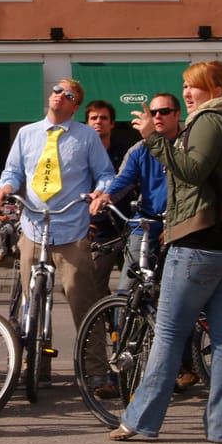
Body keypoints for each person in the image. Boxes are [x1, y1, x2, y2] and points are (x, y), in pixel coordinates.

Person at [110, 61, 222, 444]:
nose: (187, 93)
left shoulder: (211, 122)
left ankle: (141, 419)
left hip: (200, 246)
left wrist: (152, 139)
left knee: (170, 334)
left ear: (211, 88)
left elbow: (192, 171)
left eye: (191, 87)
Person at [0, 79, 115, 387]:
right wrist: (6, 187)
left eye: (69, 94)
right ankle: (34, 365)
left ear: (75, 106)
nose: (60, 96)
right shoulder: (26, 133)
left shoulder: (86, 137)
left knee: (81, 298)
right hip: (33, 227)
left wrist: (100, 193)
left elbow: (105, 174)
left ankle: (96, 369)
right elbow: (14, 170)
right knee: (30, 302)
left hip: (71, 228)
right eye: (57, 91)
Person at [90, 92, 196, 394]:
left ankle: (184, 366)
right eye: (154, 111)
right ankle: (120, 371)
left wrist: (176, 224)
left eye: (165, 111)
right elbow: (123, 179)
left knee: (180, 299)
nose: (158, 116)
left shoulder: (187, 146)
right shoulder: (139, 150)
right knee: (126, 297)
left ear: (178, 115)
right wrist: (107, 195)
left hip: (183, 227)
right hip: (145, 226)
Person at [86, 99, 131, 302]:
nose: (98, 122)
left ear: (112, 123)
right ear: (86, 123)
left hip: (125, 227)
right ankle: (104, 328)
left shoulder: (124, 151)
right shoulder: (81, 154)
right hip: (98, 231)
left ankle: (124, 329)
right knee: (94, 288)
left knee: (132, 287)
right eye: (93, 118)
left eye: (103, 118)